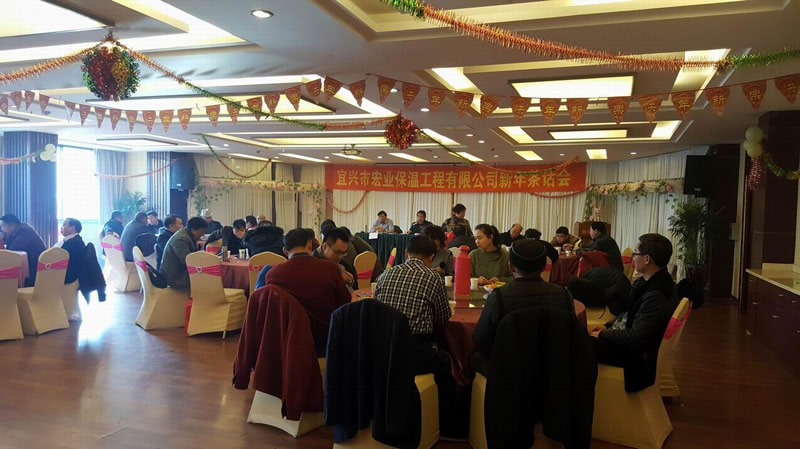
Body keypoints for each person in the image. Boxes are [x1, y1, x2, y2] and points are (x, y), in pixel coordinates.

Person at [375, 235, 463, 437]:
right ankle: (448, 427)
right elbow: (442, 318)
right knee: (447, 365)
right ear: (431, 257)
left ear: (406, 253)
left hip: (382, 350)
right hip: (413, 353)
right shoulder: (432, 278)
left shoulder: (385, 275)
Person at [590, 233, 678, 392]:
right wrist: (607, 326)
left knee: (575, 344)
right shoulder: (651, 282)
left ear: (647, 259)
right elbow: (628, 313)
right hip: (631, 346)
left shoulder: (655, 295)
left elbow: (636, 337)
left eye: (635, 254)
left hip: (635, 359)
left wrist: (604, 334)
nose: (632, 259)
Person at [472, 239, 574, 375]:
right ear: (544, 266)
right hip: (554, 368)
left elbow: (481, 341)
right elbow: (571, 336)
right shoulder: (563, 295)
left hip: (509, 370)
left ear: (511, 266)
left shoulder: (499, 297)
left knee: (474, 357)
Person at [265, 228, 351, 356]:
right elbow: (345, 302)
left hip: (287, 341)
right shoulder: (330, 269)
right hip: (324, 340)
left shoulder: (272, 275)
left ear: (285, 251)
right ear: (310, 246)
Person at [160, 217, 207, 291]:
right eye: (201, 231)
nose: (203, 234)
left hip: (180, 272)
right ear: (193, 230)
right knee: (208, 279)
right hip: (176, 277)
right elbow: (187, 261)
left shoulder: (188, 235)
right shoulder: (181, 239)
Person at [0, 215, 45, 287]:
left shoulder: (25, 231)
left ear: (12, 226)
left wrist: (2, 239)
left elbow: (12, 252)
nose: (2, 229)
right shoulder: (19, 231)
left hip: (34, 274)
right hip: (31, 270)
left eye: (3, 226)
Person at [55, 218, 86, 285]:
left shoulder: (73, 243)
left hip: (68, 276)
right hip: (67, 273)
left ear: (73, 228)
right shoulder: (74, 240)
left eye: (64, 225)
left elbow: (58, 258)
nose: (61, 227)